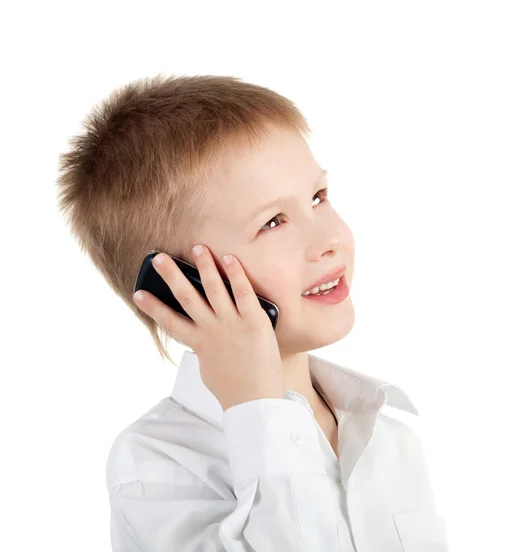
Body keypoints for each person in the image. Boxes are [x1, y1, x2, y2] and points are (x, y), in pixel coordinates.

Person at [56, 74, 448, 551]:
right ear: (180, 288)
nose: (330, 239)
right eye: (273, 222)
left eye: (318, 197)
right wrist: (259, 410)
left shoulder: (389, 441)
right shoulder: (156, 465)